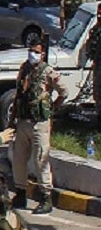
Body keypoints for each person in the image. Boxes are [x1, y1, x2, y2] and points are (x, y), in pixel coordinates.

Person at [10, 38, 68, 214]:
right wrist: (12, 119)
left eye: (36, 51)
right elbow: (19, 94)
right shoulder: (24, 69)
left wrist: (53, 108)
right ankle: (20, 192)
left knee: (40, 160)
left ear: (42, 54)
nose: (32, 54)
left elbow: (64, 92)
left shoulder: (48, 71)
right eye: (30, 50)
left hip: (39, 123)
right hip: (23, 121)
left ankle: (45, 197)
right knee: (19, 159)